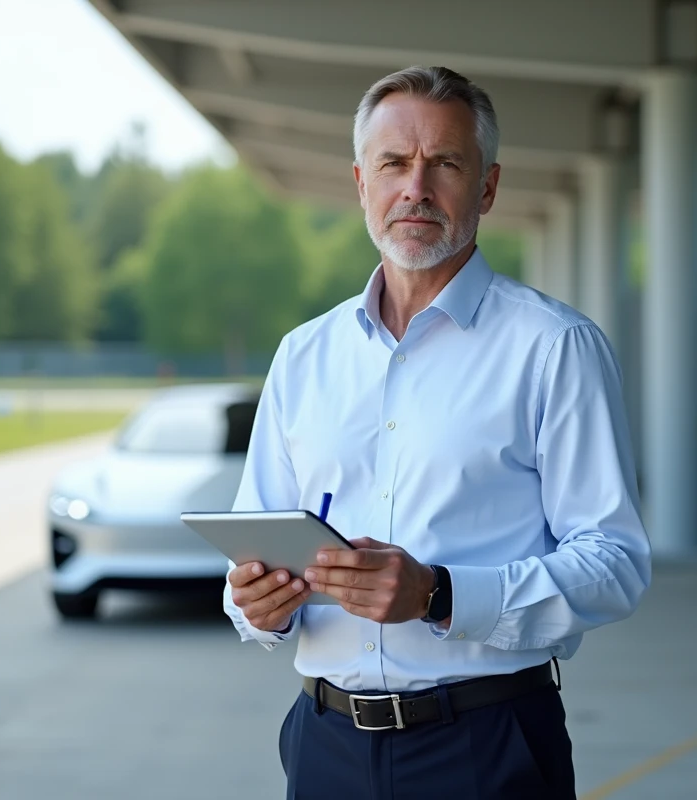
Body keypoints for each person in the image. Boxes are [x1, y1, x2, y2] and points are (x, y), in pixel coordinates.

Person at [223, 65, 652, 799]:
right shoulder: (304, 356)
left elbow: (615, 563)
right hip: (324, 744)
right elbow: (252, 546)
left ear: (485, 187)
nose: (415, 188)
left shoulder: (554, 347)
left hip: (487, 746)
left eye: (444, 164)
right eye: (394, 163)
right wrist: (254, 606)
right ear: (362, 182)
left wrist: (439, 594)